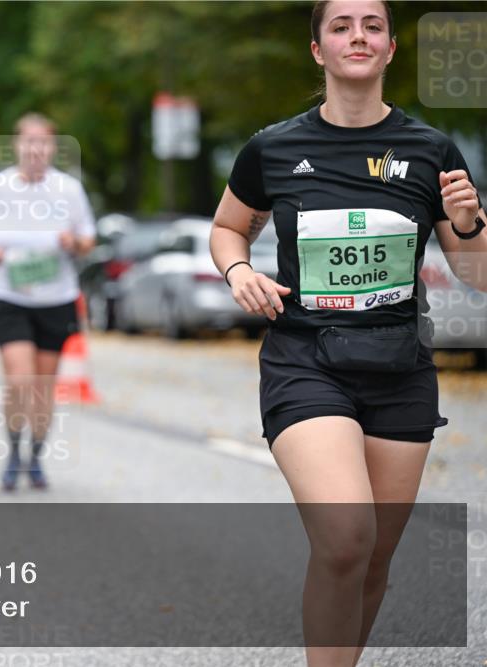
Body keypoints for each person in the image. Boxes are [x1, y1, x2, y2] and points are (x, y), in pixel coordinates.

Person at [209, 2, 487, 665]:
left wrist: (471, 223)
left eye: (372, 25)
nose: (357, 35)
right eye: (341, 25)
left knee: (371, 560)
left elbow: (476, 274)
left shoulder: (431, 151)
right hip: (306, 362)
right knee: (344, 536)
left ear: (390, 48)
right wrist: (239, 267)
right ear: (318, 50)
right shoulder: (273, 147)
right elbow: (226, 227)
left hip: (399, 370)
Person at [0, 113, 96, 491]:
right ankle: (12, 452)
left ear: (53, 148)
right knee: (19, 380)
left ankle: (35, 457)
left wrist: (73, 243)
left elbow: (88, 238)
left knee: (43, 384)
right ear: (17, 145)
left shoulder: (69, 189)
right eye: (29, 141)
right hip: (8, 294)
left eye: (43, 142)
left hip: (55, 298)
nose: (35, 149)